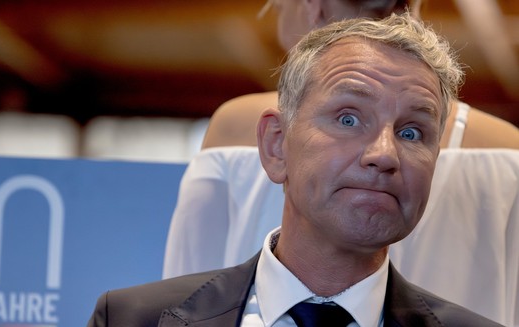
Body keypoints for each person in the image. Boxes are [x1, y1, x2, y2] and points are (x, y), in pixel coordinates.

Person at [87, 13, 502, 326]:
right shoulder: (130, 318)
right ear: (276, 145)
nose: (384, 153)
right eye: (348, 119)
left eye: (412, 132)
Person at [201, 0, 519, 150]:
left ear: (313, 6)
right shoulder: (505, 148)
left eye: (281, 8)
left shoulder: (241, 128)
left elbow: (201, 279)